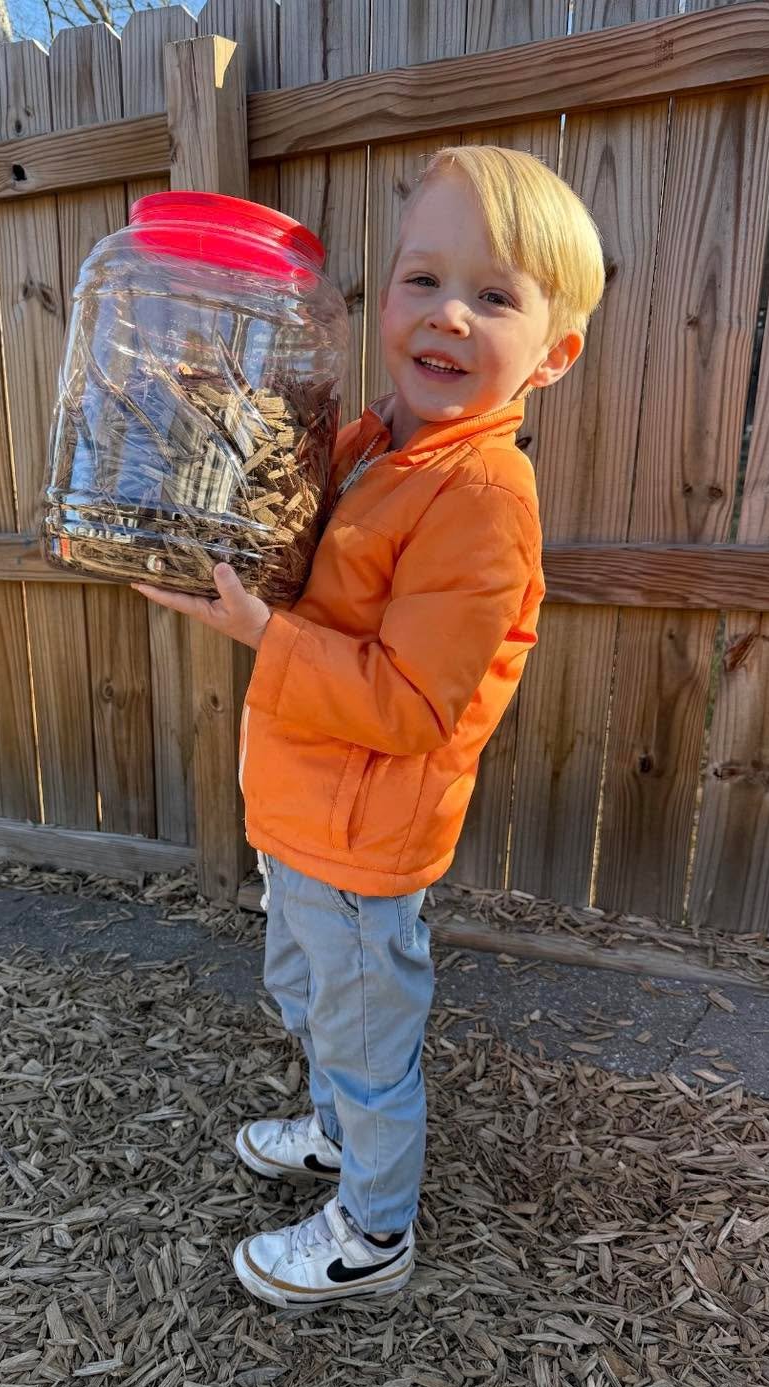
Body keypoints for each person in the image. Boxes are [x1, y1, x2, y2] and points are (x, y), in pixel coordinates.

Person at [133, 145, 605, 1311]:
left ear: (552, 354)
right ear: (379, 300)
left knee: (364, 1037)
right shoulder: (372, 445)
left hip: (363, 833)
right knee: (308, 997)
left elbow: (407, 703)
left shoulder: (479, 499)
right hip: (304, 813)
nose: (447, 313)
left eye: (493, 297)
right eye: (420, 280)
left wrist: (258, 632)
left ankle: (373, 1228)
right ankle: (341, 1132)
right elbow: (295, 539)